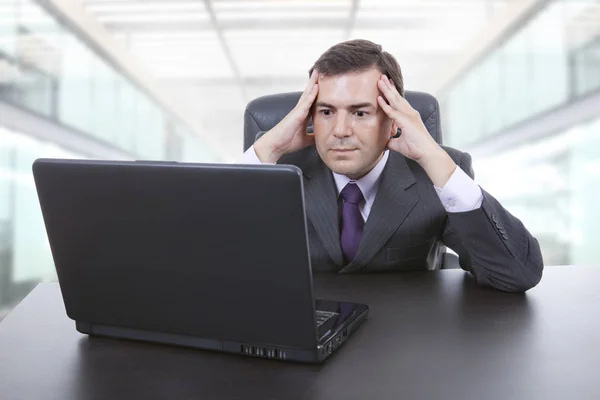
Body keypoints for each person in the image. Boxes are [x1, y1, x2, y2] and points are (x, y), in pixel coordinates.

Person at [241, 39, 543, 292]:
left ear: (393, 119)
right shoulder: (277, 169)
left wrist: (432, 156)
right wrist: (269, 147)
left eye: (360, 113)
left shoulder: (436, 172)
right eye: (326, 111)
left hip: (403, 345)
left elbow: (516, 274)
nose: (341, 130)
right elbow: (203, 264)